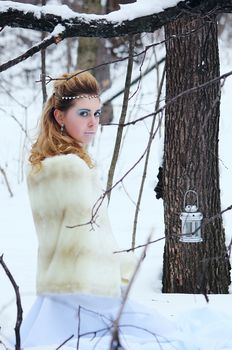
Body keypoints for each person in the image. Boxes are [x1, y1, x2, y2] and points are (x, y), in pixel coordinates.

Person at [18, 70, 189, 350]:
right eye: (83, 113)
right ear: (60, 117)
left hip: (55, 289)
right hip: (86, 290)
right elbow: (87, 235)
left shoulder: (42, 167)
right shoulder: (72, 168)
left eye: (97, 114)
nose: (93, 123)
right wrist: (119, 271)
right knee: (168, 337)